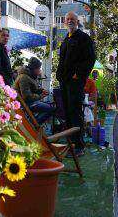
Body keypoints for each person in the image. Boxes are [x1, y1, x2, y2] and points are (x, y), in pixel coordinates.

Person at [56, 11, 96, 154]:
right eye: (67, 19)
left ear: (78, 21)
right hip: (64, 82)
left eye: (72, 19)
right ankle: (71, 143)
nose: (70, 21)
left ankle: (79, 145)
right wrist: (58, 75)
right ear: (65, 22)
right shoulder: (66, 38)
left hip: (75, 83)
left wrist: (78, 75)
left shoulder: (84, 38)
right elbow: (62, 60)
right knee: (67, 112)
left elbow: (91, 59)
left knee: (75, 112)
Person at [15, 57, 54, 125]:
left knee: (49, 104)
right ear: (34, 68)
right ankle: (34, 124)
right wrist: (40, 96)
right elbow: (27, 97)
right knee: (51, 109)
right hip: (24, 105)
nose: (39, 70)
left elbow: (33, 89)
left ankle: (34, 122)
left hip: (28, 102)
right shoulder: (24, 77)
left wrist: (41, 90)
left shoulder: (30, 76)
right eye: (38, 68)